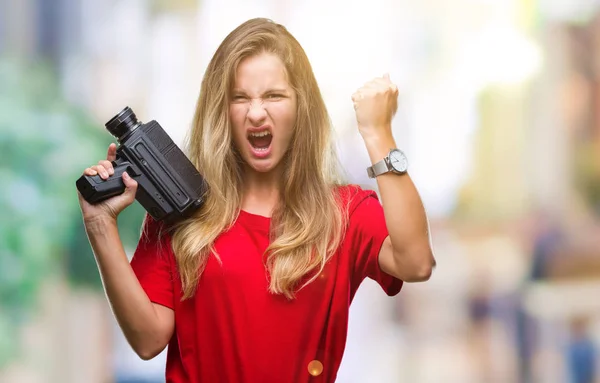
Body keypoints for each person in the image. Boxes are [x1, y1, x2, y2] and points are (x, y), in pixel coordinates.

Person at [78, 17, 435, 383]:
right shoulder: (180, 209)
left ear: (301, 109)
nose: (256, 112)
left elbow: (416, 263)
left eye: (274, 95)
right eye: (240, 98)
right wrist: (99, 226)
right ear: (223, 111)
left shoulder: (344, 213)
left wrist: (378, 134)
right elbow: (148, 339)